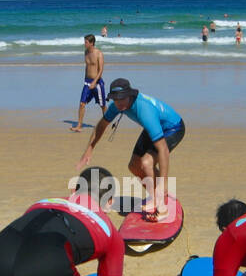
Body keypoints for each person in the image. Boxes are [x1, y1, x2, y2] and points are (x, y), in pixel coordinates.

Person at [77, 78, 185, 219]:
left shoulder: (144, 110)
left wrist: (163, 184)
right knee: (134, 166)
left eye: (122, 99)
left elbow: (163, 149)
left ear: (130, 95)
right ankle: (157, 196)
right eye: (116, 99)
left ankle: (162, 206)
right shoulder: (117, 105)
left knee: (146, 163)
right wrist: (90, 148)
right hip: (153, 127)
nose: (119, 103)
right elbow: (102, 124)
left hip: (173, 128)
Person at [72, 33, 106, 132]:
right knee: (82, 103)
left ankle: (106, 123)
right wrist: (86, 81)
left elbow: (100, 70)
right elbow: (87, 67)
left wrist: (95, 82)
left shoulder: (99, 53)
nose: (84, 44)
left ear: (92, 43)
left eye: (86, 42)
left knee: (102, 105)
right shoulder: (86, 52)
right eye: (84, 42)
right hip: (87, 82)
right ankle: (79, 125)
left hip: (97, 83)